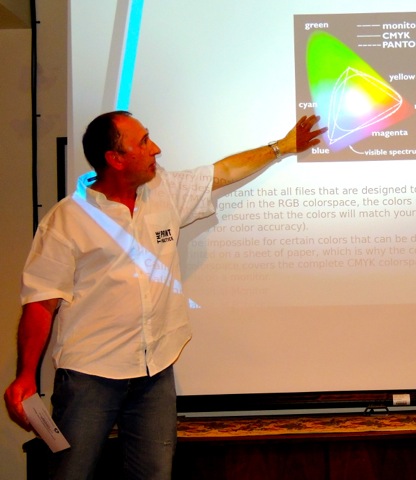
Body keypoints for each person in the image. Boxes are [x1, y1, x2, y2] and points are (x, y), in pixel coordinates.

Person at [4, 111, 327, 479]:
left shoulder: (164, 193)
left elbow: (224, 171)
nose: (155, 148)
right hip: (89, 376)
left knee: (155, 474)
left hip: (154, 372)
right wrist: (25, 375)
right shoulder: (67, 220)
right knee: (70, 473)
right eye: (143, 142)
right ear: (115, 159)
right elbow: (41, 303)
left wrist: (282, 147)